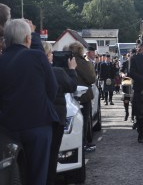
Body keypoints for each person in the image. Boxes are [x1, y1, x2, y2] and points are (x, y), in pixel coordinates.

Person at [0, 19, 59, 185]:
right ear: (28, 39)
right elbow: (52, 89)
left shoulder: (1, 60)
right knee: (37, 176)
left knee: (11, 176)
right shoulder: (37, 56)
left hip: (8, 127)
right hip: (38, 124)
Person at [42, 41, 78, 185]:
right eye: (50, 53)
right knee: (52, 155)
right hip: (56, 119)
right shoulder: (57, 72)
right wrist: (72, 69)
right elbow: (72, 86)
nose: (52, 56)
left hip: (37, 119)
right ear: (47, 55)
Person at [68, 41, 98, 152]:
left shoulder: (66, 61)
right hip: (83, 95)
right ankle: (83, 143)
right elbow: (91, 79)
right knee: (84, 121)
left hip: (69, 96)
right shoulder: (82, 62)